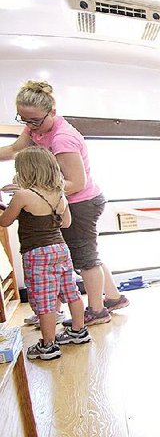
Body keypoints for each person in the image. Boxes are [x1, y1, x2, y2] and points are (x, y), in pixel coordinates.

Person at [0, 80, 129, 327]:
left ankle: (97, 310)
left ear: (52, 111)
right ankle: (112, 297)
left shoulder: (62, 138)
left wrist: (33, 191)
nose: (30, 126)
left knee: (84, 258)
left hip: (82, 202)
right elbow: (15, 149)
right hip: (69, 199)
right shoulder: (34, 129)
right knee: (88, 252)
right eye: (24, 120)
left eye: (35, 120)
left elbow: (76, 182)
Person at [0, 146, 89, 360]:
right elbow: (66, 223)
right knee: (71, 292)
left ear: (25, 171)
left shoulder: (22, 195)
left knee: (44, 300)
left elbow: (5, 221)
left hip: (36, 253)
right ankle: (79, 331)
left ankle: (48, 345)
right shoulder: (59, 194)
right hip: (60, 249)